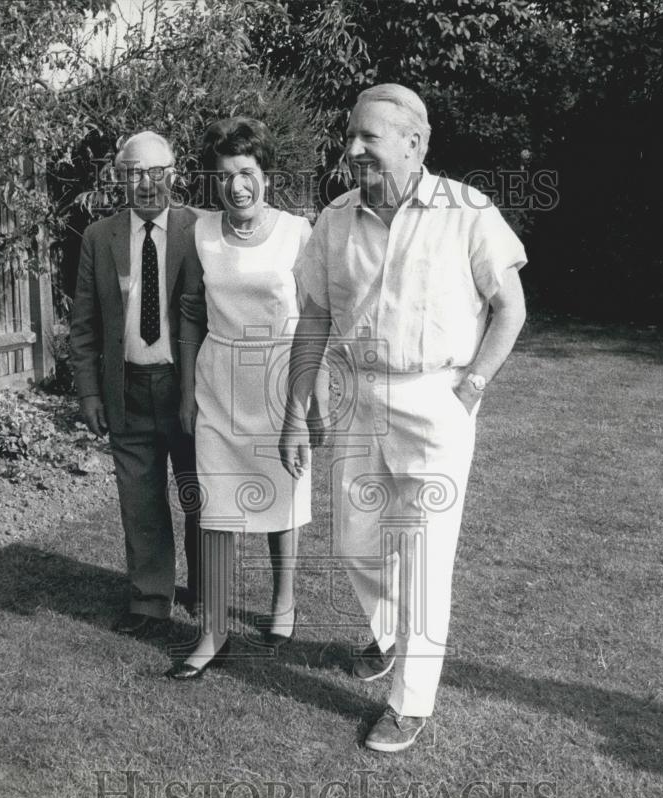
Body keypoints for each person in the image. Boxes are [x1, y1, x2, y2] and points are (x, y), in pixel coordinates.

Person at [279, 84, 528, 752]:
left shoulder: (468, 212)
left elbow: (511, 308)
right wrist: (295, 409)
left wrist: (472, 384)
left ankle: (410, 702)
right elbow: (314, 319)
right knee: (359, 541)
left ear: (414, 144)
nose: (353, 148)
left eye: (369, 137)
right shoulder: (335, 220)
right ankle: (387, 636)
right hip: (360, 394)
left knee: (422, 554)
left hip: (435, 401)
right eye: (351, 136)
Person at [165, 117, 329, 680]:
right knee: (215, 508)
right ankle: (212, 628)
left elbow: (314, 318)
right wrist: (187, 389)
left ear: (265, 175)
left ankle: (284, 602)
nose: (236, 186)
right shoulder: (202, 233)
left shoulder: (296, 231)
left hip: (280, 382)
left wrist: (314, 401)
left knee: (283, 500)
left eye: (247, 172)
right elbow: (189, 312)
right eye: (225, 174)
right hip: (218, 383)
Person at [70, 131, 201, 636]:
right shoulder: (100, 237)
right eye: (134, 172)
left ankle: (205, 592)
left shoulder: (200, 230)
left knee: (197, 495)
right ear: (119, 178)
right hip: (126, 389)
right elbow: (83, 325)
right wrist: (88, 391)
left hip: (186, 389)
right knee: (139, 500)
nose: (146, 184)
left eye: (156, 171)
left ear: (174, 172)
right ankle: (150, 602)